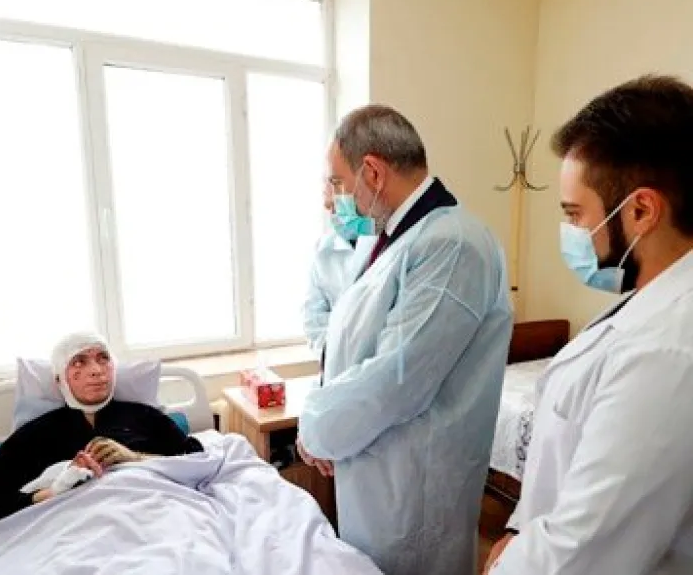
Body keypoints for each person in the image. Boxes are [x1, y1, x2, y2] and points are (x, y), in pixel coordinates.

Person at [484, 75, 693, 575]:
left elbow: (585, 549)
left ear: (641, 210)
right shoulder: (645, 301)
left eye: (575, 214)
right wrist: (519, 531)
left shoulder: (666, 352)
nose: (571, 233)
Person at [296, 104, 514, 575]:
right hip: (377, 469)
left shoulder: (453, 244)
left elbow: (395, 378)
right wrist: (324, 418)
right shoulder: (393, 240)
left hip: (413, 487)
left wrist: (317, 427)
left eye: (337, 182)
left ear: (373, 172)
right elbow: (353, 346)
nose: (333, 199)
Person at [0, 332, 203, 531]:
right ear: (59, 379)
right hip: (74, 531)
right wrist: (52, 491)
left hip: (152, 518)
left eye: (103, 358)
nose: (96, 370)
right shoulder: (36, 435)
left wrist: (135, 457)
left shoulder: (144, 416)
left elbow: (198, 463)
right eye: (79, 361)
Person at [303, 180, 374, 355]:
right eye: (329, 208)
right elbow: (313, 319)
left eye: (335, 205)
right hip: (335, 360)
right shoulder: (323, 250)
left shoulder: (387, 243)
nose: (331, 211)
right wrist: (334, 356)